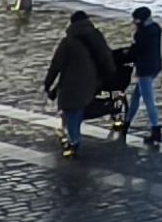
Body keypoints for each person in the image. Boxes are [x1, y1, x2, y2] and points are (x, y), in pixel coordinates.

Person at [44, 9, 114, 154]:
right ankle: (72, 136)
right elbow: (106, 57)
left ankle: (74, 141)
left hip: (71, 83)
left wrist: (48, 84)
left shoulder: (68, 42)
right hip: (91, 80)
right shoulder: (96, 36)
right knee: (77, 109)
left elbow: (56, 65)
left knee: (70, 111)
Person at [120, 5, 162, 148]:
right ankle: (126, 123)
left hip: (144, 69)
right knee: (136, 96)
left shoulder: (141, 34)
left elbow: (134, 52)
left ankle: (155, 129)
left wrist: (124, 56)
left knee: (148, 100)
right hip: (155, 66)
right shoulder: (156, 28)